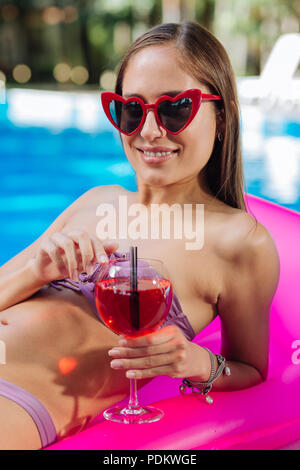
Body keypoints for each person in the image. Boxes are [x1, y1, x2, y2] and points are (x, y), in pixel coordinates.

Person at [0, 21, 279, 450]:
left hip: (19, 400)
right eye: (132, 109)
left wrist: (198, 362)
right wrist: (36, 269)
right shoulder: (97, 200)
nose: (149, 131)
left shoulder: (239, 242)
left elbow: (250, 369)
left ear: (221, 117)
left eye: (174, 109)